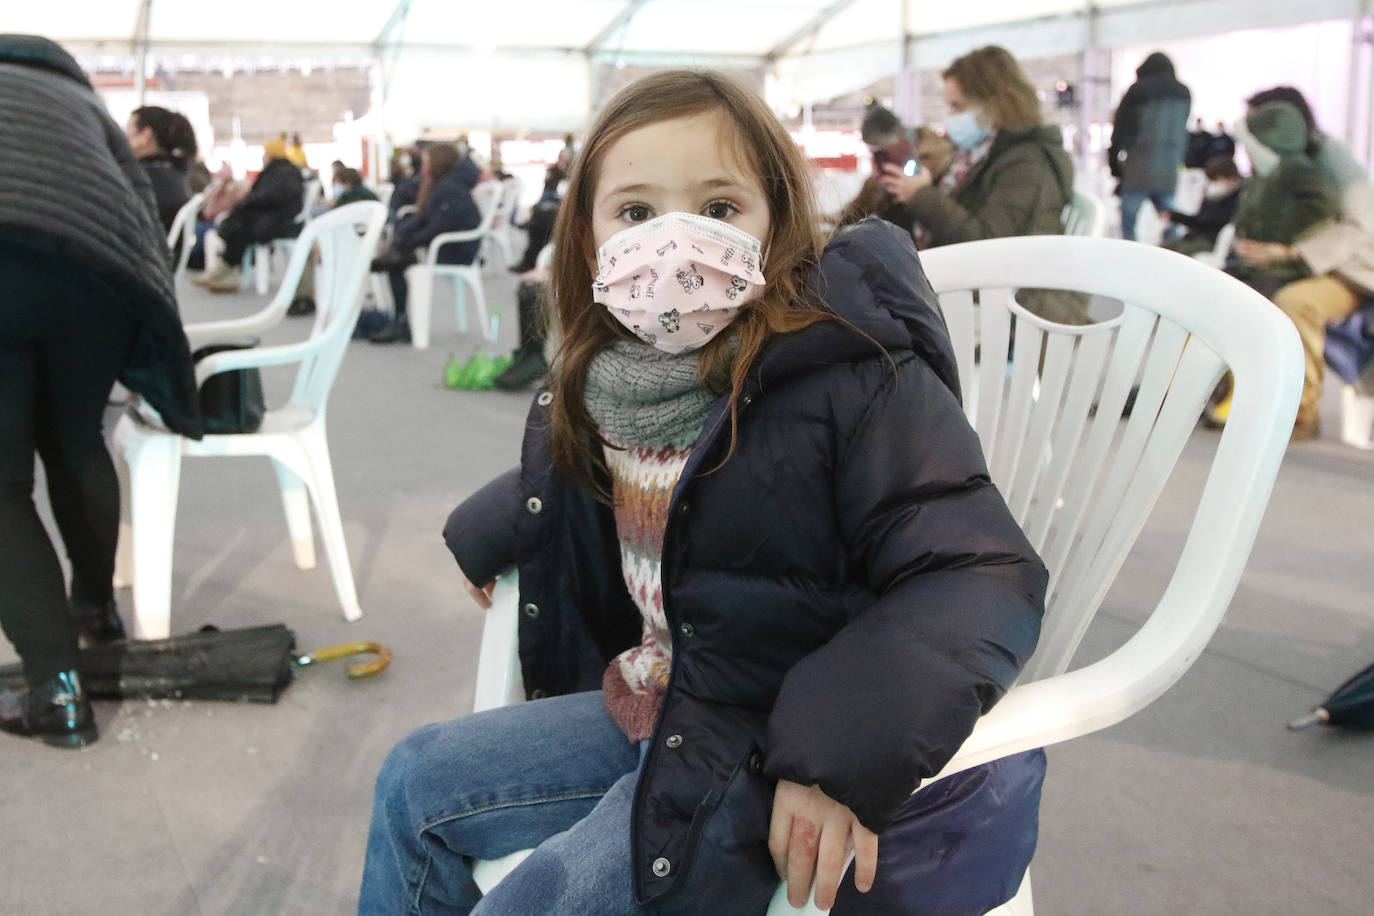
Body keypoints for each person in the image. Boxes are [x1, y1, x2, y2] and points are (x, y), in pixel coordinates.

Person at [360, 69, 1047, 915]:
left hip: (772, 740)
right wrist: (503, 521)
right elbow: (631, 479)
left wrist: (833, 754)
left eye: (719, 209)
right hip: (662, 698)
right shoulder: (622, 378)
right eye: (637, 213)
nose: (674, 245)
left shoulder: (855, 374)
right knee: (415, 784)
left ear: (778, 223)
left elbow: (978, 571)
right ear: (588, 242)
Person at [0, 34, 201, 748]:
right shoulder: (81, 99)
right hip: (97, 274)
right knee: (77, 438)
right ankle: (94, 611)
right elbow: (142, 207)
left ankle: (57, 692)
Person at [876, 45, 1086, 324]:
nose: (951, 117)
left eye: (958, 107)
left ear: (996, 103)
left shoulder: (1029, 163)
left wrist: (922, 196)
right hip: (980, 289)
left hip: (1015, 306)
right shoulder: (979, 154)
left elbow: (987, 243)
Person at [1242, 88, 1374, 440]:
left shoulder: (1333, 160)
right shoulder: (1275, 167)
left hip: (1350, 270)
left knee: (1296, 303)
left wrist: (1292, 254)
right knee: (1235, 292)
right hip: (1296, 265)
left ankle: (1301, 412)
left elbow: (1359, 227)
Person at [368, 143, 483, 344]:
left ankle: (400, 321)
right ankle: (399, 319)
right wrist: (402, 235)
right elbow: (425, 218)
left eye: (426, 163)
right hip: (444, 244)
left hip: (456, 249)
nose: (423, 168)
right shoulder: (442, 185)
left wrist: (407, 240)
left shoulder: (450, 189)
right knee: (399, 255)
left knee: (398, 260)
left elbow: (437, 227)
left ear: (437, 163)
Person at [1225, 101, 1338, 301]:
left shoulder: (1294, 168)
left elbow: (1321, 204)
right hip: (1254, 266)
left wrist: (1280, 236)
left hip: (1279, 271)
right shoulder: (1264, 174)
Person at [194, 136, 305, 292]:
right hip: (271, 218)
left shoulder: (281, 173)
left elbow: (269, 197)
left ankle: (224, 272)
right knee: (238, 226)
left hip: (277, 222)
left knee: (240, 229)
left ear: (271, 155)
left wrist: (246, 204)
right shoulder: (281, 172)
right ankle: (225, 272)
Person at [1109, 52, 1191, 241]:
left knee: (1129, 224)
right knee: (1169, 220)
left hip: (1138, 166)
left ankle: (1129, 258)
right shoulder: (1184, 92)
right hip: (1168, 168)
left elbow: (1121, 130)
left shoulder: (1137, 90)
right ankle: (1173, 257)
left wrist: (1115, 165)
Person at [836, 104, 953, 230]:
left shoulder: (936, 160)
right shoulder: (883, 173)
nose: (879, 162)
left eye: (881, 152)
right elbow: (853, 213)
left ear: (898, 134)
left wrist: (918, 192)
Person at [124, 105, 198, 232]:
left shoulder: (140, 179)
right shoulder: (176, 172)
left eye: (127, 129)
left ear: (146, 135)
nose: (122, 137)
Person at [1161, 155, 1241, 256]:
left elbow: (1213, 223)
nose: (1215, 185)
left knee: (1174, 254)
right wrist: (1174, 216)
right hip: (1195, 236)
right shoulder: (1212, 196)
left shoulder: (1239, 199)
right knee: (1160, 249)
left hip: (1211, 241)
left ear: (1231, 178)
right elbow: (1199, 221)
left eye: (1217, 179)